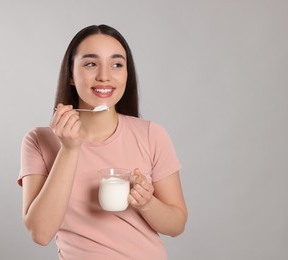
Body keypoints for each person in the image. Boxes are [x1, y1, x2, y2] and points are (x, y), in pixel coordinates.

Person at [17, 24, 187, 260]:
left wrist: (146, 203)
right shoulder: (38, 141)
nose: (105, 75)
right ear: (71, 75)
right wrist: (69, 149)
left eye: (117, 64)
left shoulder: (152, 135)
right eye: (90, 64)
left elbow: (176, 225)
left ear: (127, 74)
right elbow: (41, 233)